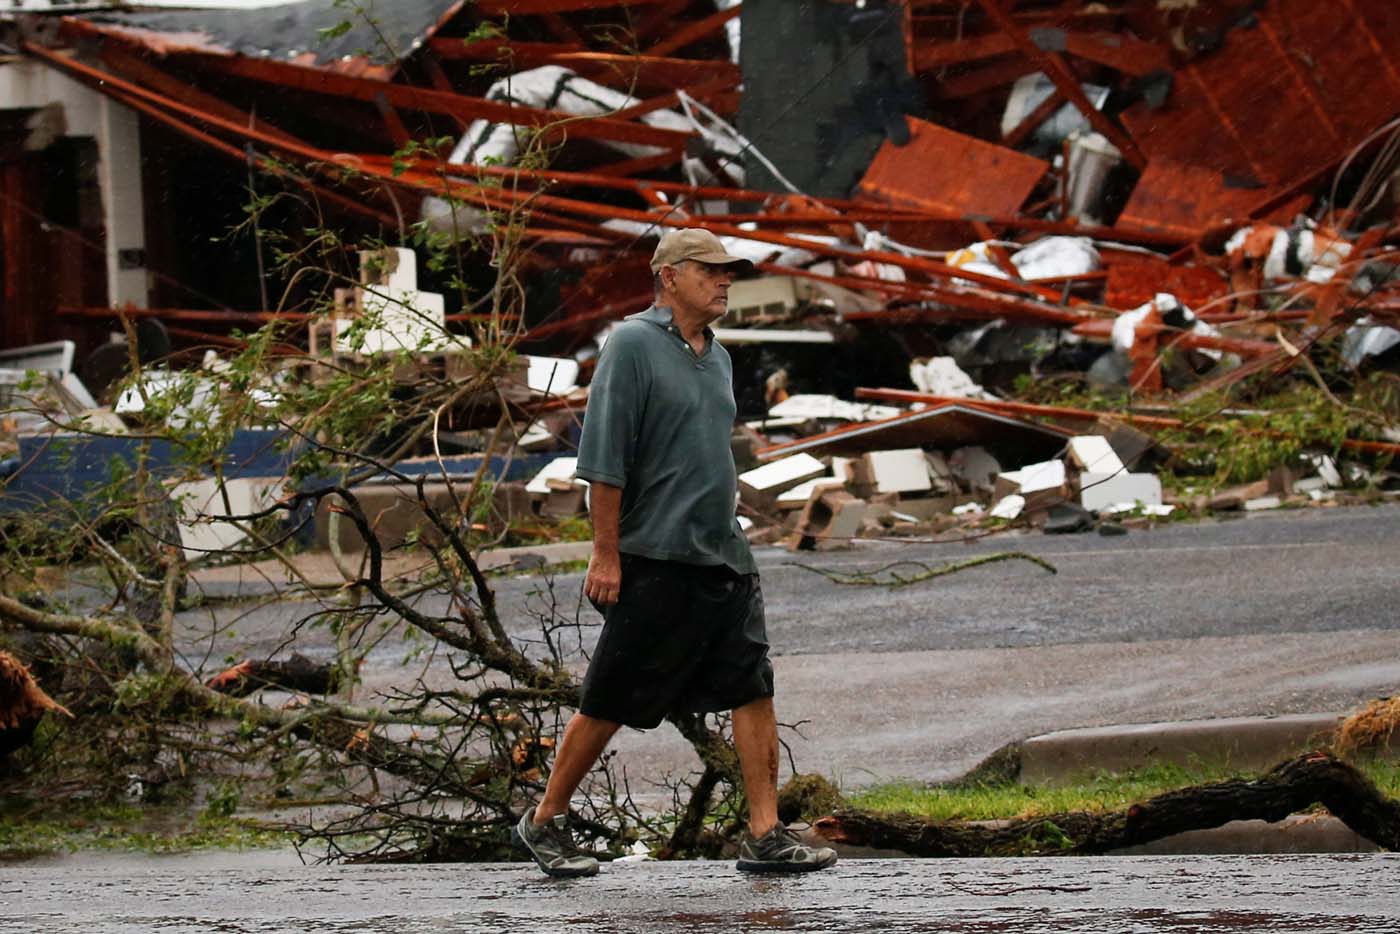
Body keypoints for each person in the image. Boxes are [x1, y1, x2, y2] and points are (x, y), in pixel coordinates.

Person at [512, 228, 838, 878]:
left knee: (753, 687)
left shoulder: (716, 356)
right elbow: (604, 458)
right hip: (655, 557)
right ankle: (545, 819)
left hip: (724, 555)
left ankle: (765, 832)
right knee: (609, 697)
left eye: (729, 272)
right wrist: (605, 554)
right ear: (670, 277)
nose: (724, 281)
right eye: (711, 271)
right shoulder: (632, 345)